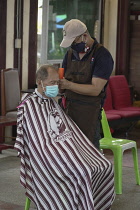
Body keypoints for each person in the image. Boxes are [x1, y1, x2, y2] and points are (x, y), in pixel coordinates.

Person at [14, 64, 115, 210]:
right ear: (39, 82)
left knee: (104, 166)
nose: (56, 86)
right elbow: (37, 141)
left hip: (64, 147)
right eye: (52, 83)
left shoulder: (51, 102)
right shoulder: (29, 105)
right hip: (47, 155)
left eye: (57, 82)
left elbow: (67, 130)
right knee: (82, 172)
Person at [59, 19, 114, 149]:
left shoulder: (102, 55)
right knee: (68, 152)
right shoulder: (70, 54)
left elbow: (95, 89)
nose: (72, 45)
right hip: (68, 110)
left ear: (84, 36)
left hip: (89, 113)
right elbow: (62, 79)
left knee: (89, 153)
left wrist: (68, 85)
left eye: (74, 41)